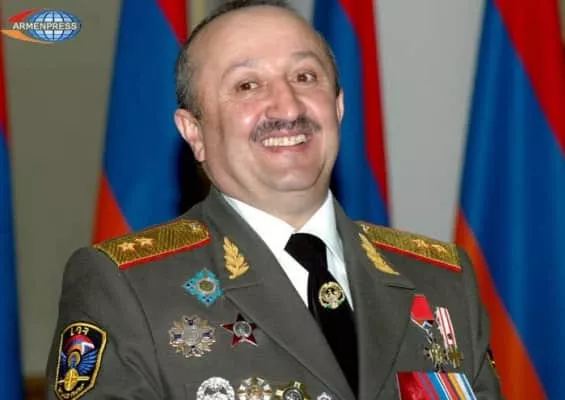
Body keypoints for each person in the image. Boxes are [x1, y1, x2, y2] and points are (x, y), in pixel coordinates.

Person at [46, 1, 503, 399]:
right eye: (247, 85)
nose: (288, 107)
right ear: (194, 131)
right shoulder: (127, 289)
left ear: (338, 107)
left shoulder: (441, 280)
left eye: (305, 77)